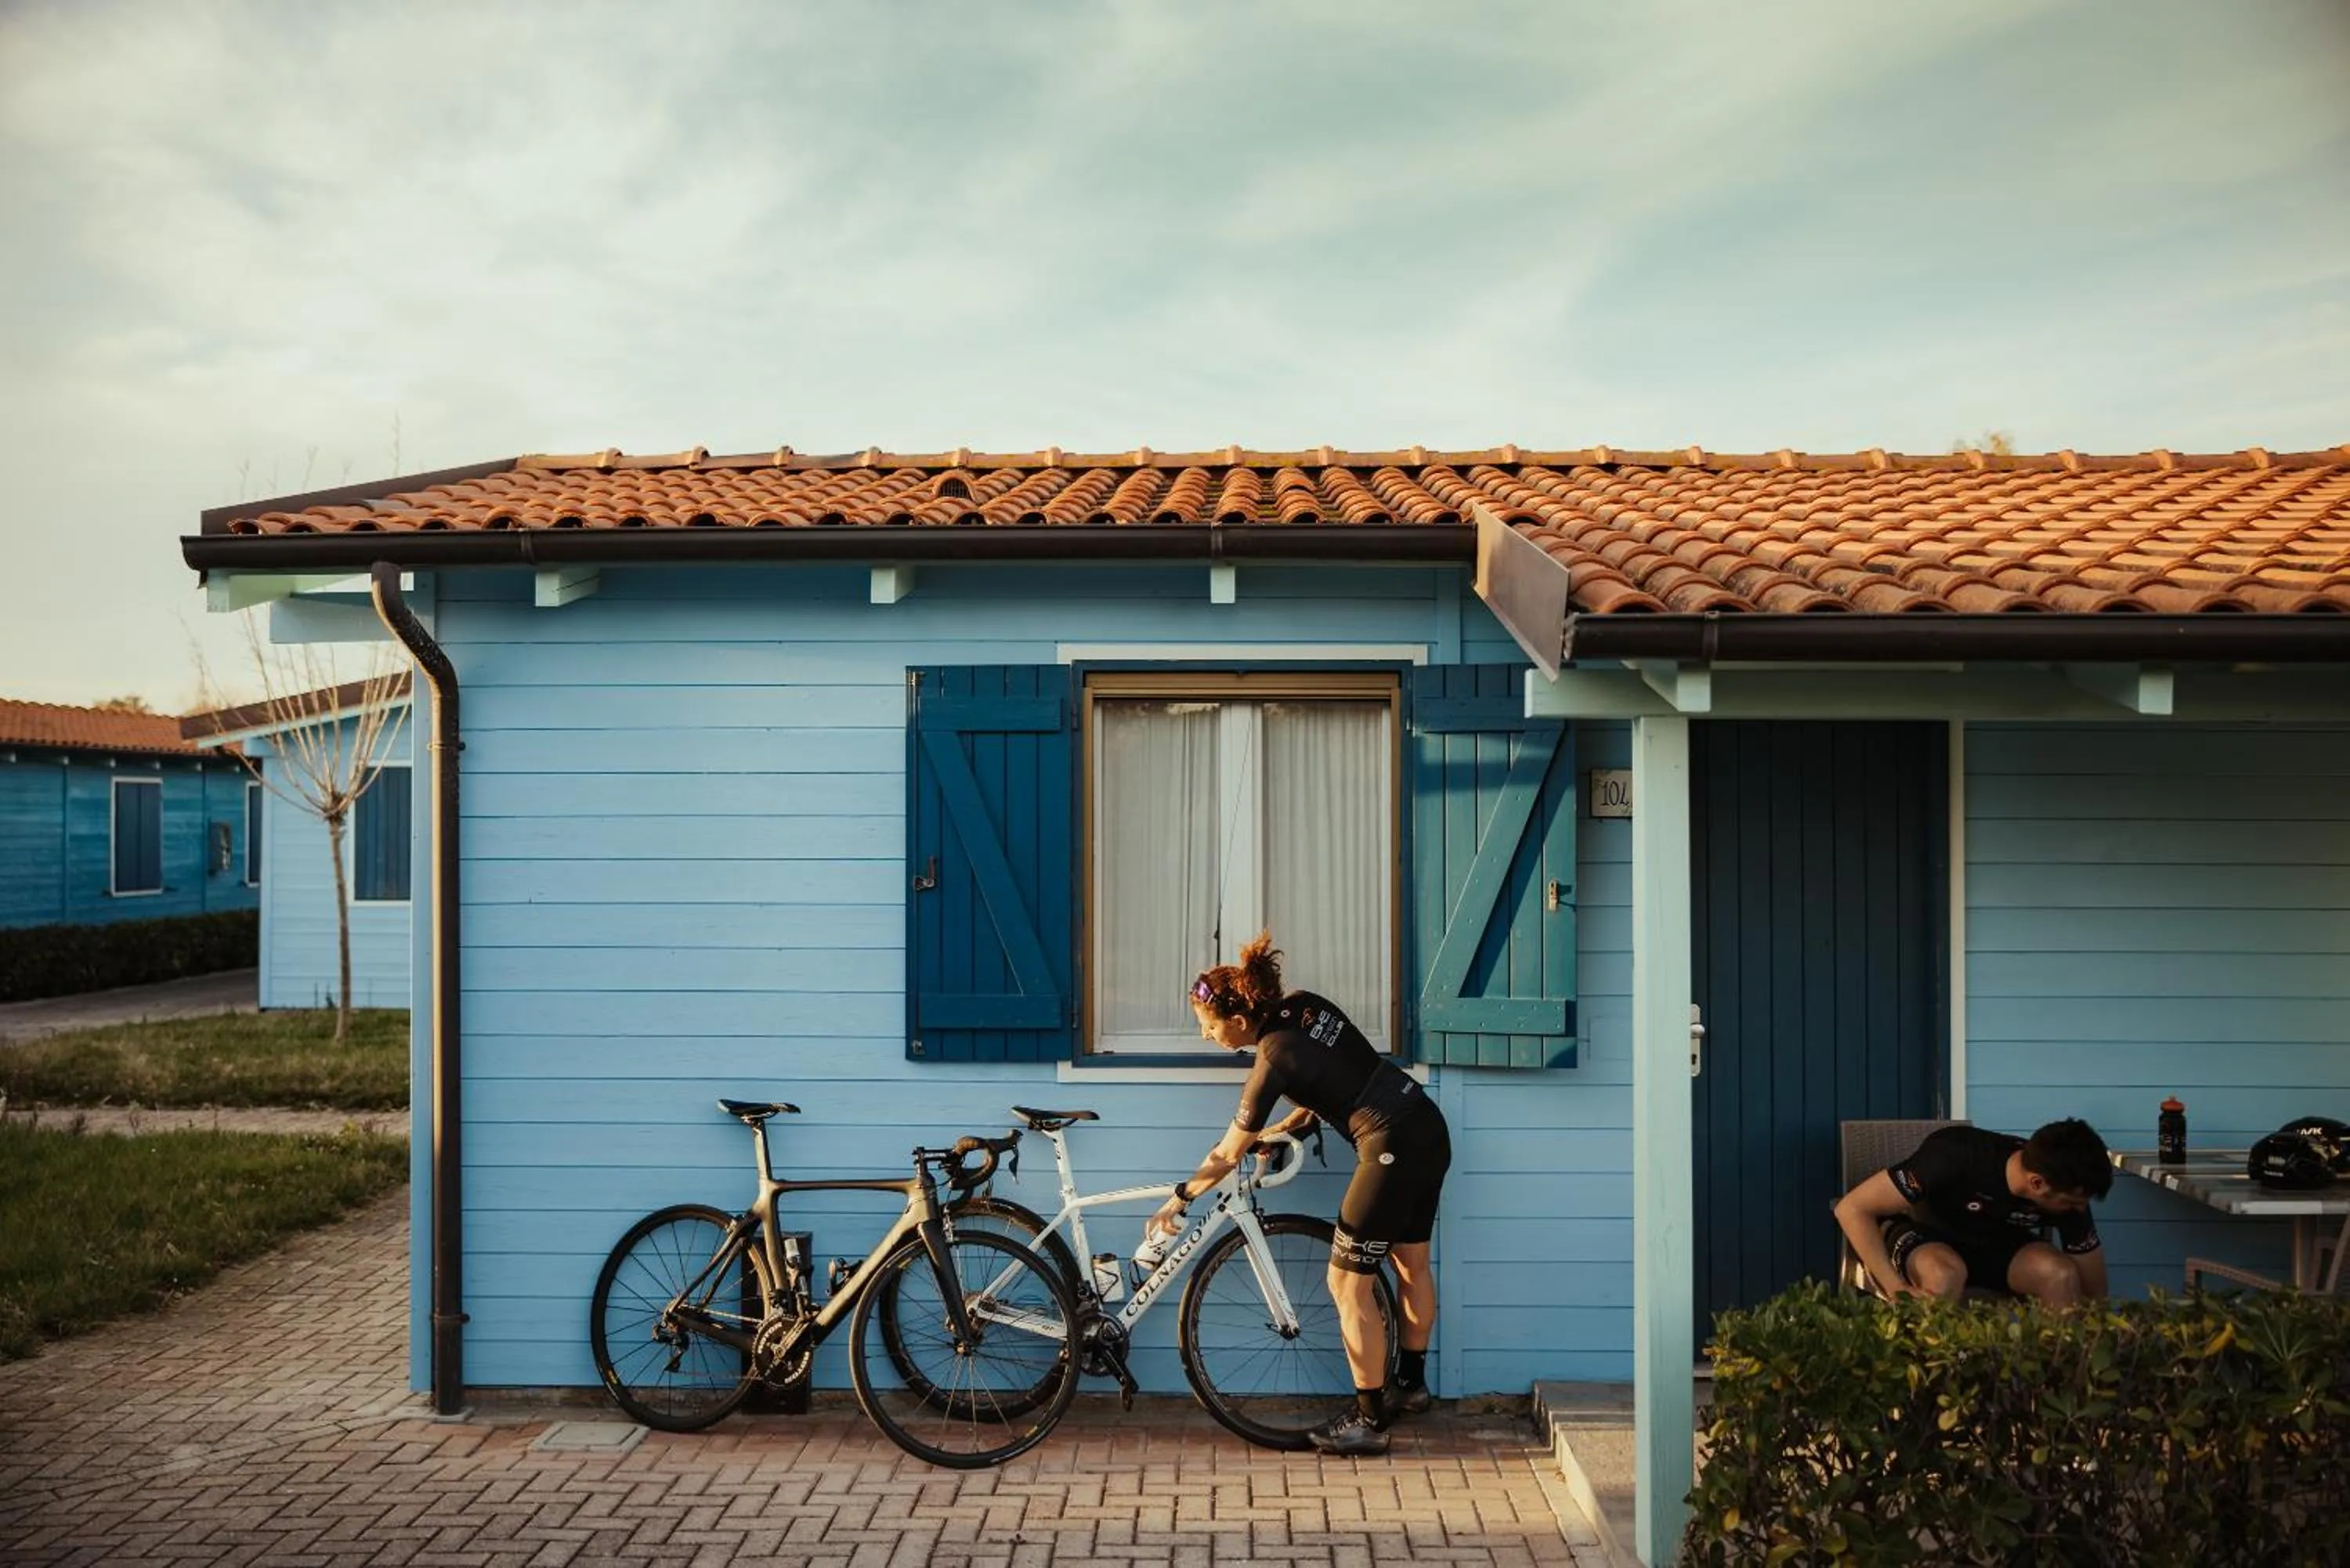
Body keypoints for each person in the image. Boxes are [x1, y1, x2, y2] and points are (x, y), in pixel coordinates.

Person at [1146, 932, 1452, 1457]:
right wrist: (1294, 1125)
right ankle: (1411, 1386)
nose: (1207, 1037)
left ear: (1239, 1020)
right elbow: (1340, 1077)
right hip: (1425, 1126)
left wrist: (1181, 1196)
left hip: (1389, 1147)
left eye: (1209, 1027)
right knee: (1410, 1264)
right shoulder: (1305, 1008)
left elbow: (1226, 1154)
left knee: (1347, 1284)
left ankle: (1369, 1422)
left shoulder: (1272, 1055)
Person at [1834, 1119, 2113, 1306]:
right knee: (1944, 1275)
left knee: (2059, 1274)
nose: (2079, 1209)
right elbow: (1852, 1209)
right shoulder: (1955, 1155)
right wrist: (1895, 1289)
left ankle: (2052, 1386)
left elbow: (2096, 1296)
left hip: (1993, 1246)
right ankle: (1929, 1387)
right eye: (2073, 1203)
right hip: (1925, 1235)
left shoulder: (2069, 1190)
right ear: (2037, 1183)